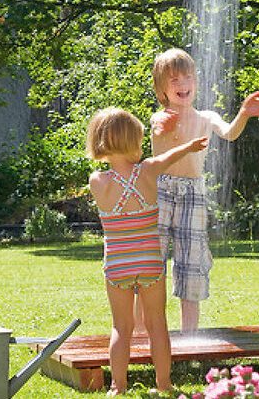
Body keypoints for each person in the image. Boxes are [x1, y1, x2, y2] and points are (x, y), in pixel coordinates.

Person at [150, 48, 259, 332]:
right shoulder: (159, 119)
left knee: (191, 262)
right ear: (161, 89)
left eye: (188, 77)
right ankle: (142, 332)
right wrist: (164, 128)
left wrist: (244, 113)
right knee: (151, 263)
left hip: (193, 194)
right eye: (174, 80)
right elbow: (158, 137)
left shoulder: (207, 117)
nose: (183, 84)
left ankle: (189, 335)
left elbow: (230, 133)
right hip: (159, 192)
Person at [86, 107, 208, 395]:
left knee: (121, 327)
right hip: (150, 263)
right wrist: (189, 146)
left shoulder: (98, 182)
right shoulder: (148, 171)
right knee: (157, 325)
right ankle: (164, 383)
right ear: (132, 142)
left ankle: (118, 385)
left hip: (118, 265)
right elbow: (168, 157)